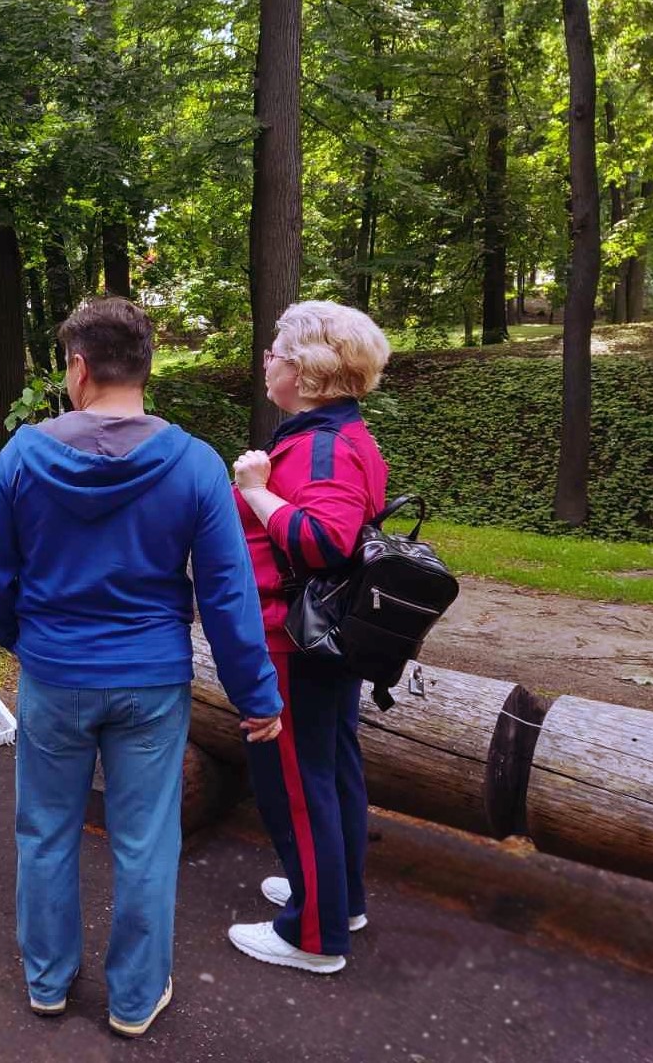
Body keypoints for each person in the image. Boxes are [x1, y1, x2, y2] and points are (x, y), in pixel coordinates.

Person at [0, 297, 283, 1038]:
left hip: (55, 674)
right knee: (146, 839)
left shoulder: (21, 456)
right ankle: (135, 999)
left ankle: (47, 983)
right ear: (146, 367)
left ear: (77, 368)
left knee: (45, 829)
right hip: (150, 679)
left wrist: (25, 639)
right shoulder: (194, 464)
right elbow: (228, 593)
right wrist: (256, 695)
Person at [228, 300, 391, 975]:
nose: (265, 360)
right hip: (322, 638)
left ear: (303, 369)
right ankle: (335, 896)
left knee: (296, 783)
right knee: (329, 771)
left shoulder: (322, 445)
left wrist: (254, 490)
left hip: (296, 644)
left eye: (273, 351)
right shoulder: (334, 433)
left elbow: (324, 541)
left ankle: (313, 937)